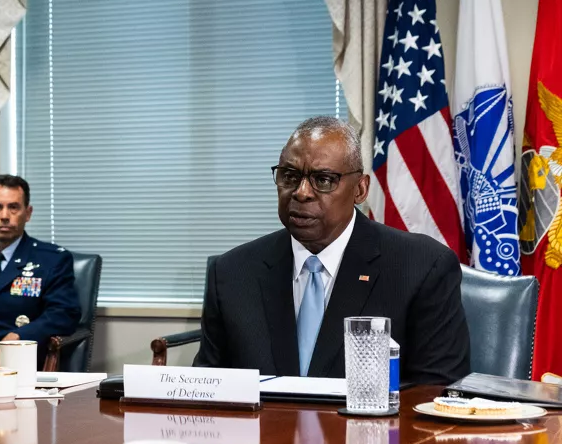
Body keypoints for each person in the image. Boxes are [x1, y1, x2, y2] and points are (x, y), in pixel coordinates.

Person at [194, 116, 470, 384]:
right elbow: (206, 389)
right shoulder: (232, 273)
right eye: (289, 176)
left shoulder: (421, 268)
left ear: (360, 190)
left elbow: (436, 392)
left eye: (323, 179)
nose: (301, 192)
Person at [0, 175, 81, 365]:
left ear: (28, 213)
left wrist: (18, 337)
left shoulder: (52, 260)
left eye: (13, 207)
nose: (4, 216)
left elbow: (64, 314)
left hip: (13, 363)